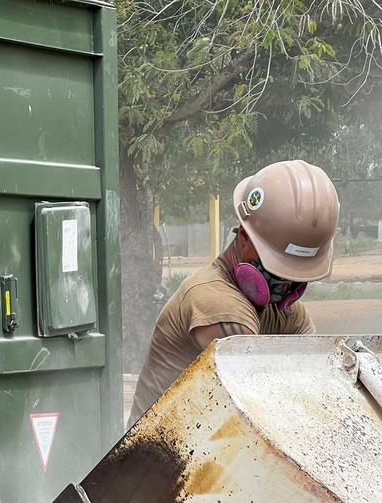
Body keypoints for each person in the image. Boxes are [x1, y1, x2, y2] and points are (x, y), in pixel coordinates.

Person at [129, 159, 338, 425]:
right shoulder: (214, 300)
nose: (285, 285)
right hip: (156, 459)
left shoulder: (280, 307)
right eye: (277, 267)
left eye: (295, 274)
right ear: (243, 237)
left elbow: (315, 369)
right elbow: (261, 405)